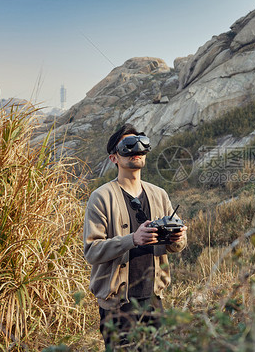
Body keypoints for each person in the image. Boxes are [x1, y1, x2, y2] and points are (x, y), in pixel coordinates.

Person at [83, 123, 187, 350]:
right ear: (114, 158)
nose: (136, 150)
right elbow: (91, 251)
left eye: (141, 143)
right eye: (128, 145)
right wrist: (132, 239)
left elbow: (177, 246)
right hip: (118, 306)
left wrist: (176, 238)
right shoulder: (101, 197)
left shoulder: (159, 194)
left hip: (153, 300)